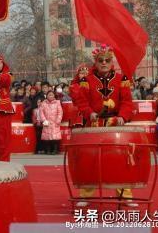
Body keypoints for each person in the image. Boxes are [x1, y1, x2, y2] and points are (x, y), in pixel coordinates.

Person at [74, 44, 135, 207]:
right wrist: (89, 113)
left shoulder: (122, 79)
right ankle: (85, 195)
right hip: (94, 124)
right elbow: (81, 102)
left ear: (111, 61)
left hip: (115, 123)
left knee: (120, 159)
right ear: (95, 61)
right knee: (91, 159)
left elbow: (127, 102)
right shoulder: (86, 80)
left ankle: (125, 195)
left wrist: (123, 116)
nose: (104, 63)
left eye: (107, 60)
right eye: (100, 60)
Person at [39, 90, 63, 154]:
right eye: (49, 95)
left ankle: (55, 150)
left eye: (52, 95)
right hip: (47, 122)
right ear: (46, 96)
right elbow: (41, 113)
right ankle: (48, 150)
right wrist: (44, 120)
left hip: (55, 122)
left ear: (54, 95)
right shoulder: (43, 103)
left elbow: (60, 112)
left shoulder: (57, 103)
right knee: (47, 138)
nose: (50, 96)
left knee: (55, 138)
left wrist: (58, 120)